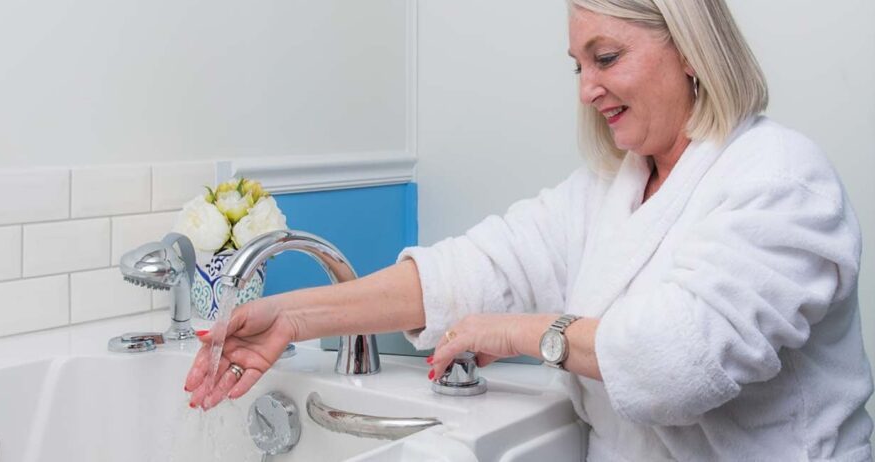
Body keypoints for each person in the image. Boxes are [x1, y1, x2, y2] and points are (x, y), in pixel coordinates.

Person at [184, 0, 873, 459]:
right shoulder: (614, 186)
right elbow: (474, 269)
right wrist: (287, 317)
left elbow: (674, 363)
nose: (586, 89)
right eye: (579, 66)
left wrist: (519, 333)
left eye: (606, 58)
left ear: (690, 50)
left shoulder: (780, 177)